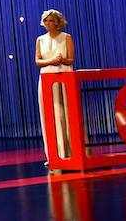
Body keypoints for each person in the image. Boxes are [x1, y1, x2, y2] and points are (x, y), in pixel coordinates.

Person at [35, 9, 74, 166]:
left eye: (51, 20)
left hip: (64, 75)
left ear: (58, 22)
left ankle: (70, 152)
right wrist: (50, 61)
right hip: (46, 77)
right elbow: (38, 61)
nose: (48, 23)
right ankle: (53, 155)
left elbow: (70, 59)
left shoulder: (66, 37)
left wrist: (61, 60)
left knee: (65, 113)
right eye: (46, 21)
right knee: (49, 114)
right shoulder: (40, 39)